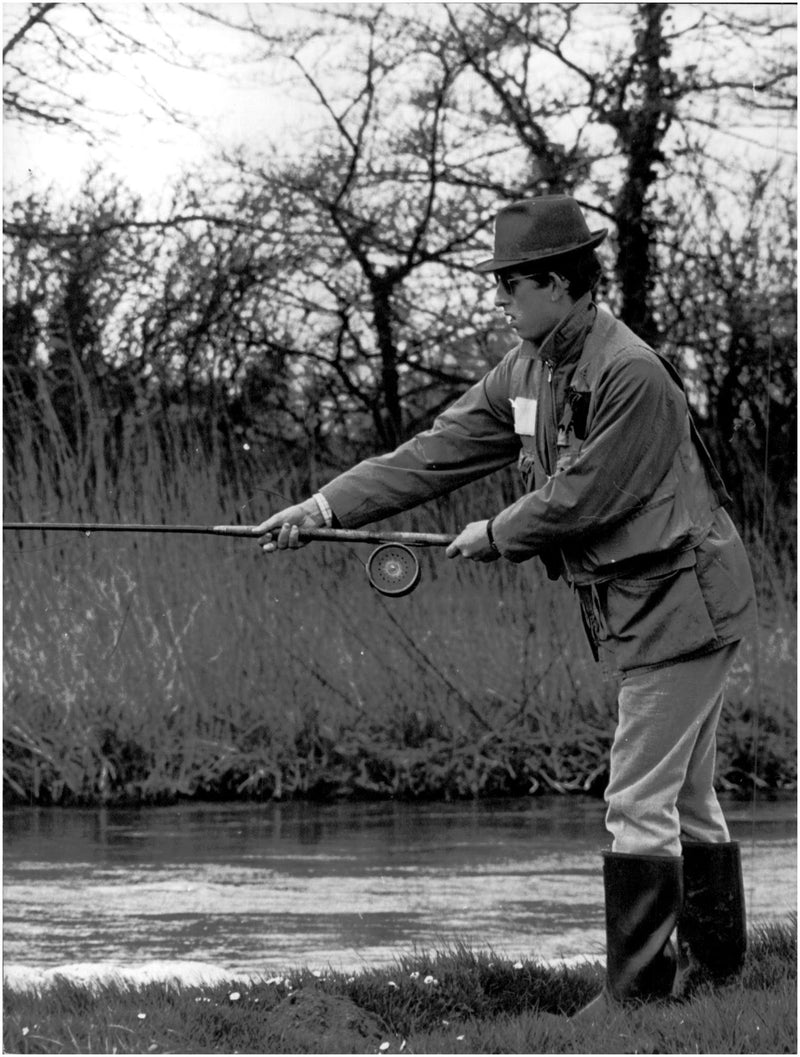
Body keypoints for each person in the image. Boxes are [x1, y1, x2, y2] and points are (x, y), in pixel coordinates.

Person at [255, 195, 757, 1017]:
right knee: (687, 794)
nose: (499, 299)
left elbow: (588, 495)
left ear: (559, 285)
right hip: (647, 605)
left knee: (636, 797)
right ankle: (716, 975)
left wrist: (495, 531)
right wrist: (323, 508)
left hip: (683, 604)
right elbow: (435, 453)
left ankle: (640, 997)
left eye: (510, 285)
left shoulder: (630, 372)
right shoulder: (527, 370)